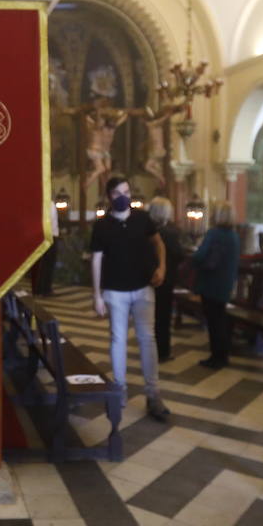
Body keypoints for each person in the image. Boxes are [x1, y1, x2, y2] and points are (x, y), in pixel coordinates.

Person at [91, 175, 169, 420]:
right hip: (115, 291)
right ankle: (120, 389)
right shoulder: (102, 225)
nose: (123, 197)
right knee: (118, 340)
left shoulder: (142, 219)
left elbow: (159, 243)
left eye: (126, 192)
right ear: (109, 197)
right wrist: (97, 295)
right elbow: (96, 260)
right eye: (117, 194)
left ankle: (153, 393)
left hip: (143, 288)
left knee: (148, 339)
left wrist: (162, 267)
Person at [192, 201, 240, 369]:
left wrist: (194, 253)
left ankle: (216, 358)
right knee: (221, 321)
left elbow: (200, 256)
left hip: (211, 283)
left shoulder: (214, 233)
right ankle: (223, 356)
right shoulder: (234, 236)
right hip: (226, 284)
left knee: (214, 323)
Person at [148, 197, 184, 361]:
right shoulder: (169, 232)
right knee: (163, 316)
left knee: (151, 315)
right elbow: (179, 255)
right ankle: (163, 351)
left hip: (149, 278)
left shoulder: (147, 230)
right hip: (166, 279)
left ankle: (151, 348)